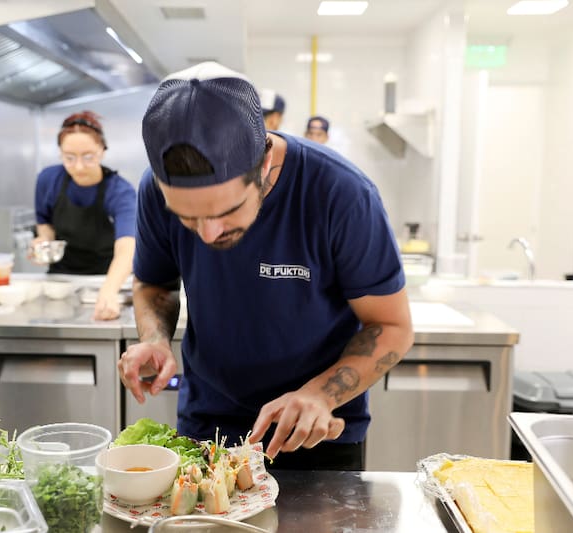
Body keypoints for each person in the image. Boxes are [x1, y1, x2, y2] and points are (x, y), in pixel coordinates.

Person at [118, 62, 414, 470]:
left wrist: (319, 395)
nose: (208, 234)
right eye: (187, 217)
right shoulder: (153, 190)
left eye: (227, 211)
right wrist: (154, 339)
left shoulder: (342, 195)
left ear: (265, 162)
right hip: (208, 424)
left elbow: (392, 327)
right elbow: (154, 283)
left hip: (315, 432)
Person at [32, 111, 137, 321]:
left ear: (102, 150)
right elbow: (45, 223)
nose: (78, 166)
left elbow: (127, 247)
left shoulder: (120, 191)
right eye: (69, 158)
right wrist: (44, 243)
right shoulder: (48, 179)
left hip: (107, 278)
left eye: (88, 157)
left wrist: (109, 290)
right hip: (60, 283)